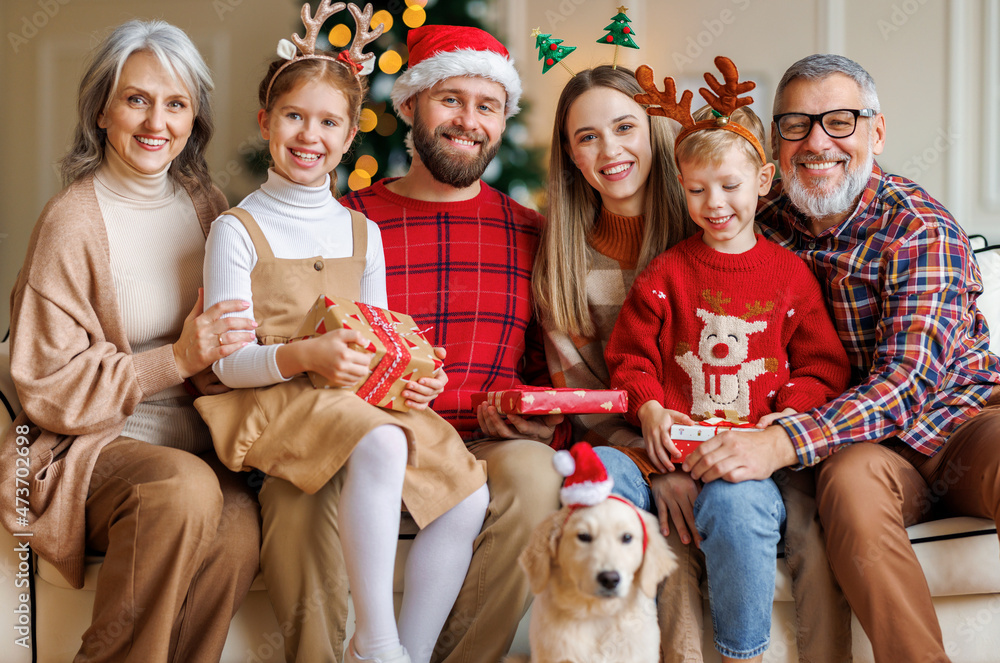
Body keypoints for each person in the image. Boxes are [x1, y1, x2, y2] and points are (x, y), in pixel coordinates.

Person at [194, 7, 489, 663]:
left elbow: (378, 338)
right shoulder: (237, 230)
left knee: (469, 492)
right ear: (266, 121)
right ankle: (375, 641)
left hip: (350, 399)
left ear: (351, 133)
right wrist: (307, 353)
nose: (310, 135)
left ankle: (401, 650)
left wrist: (413, 373)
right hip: (276, 397)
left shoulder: (362, 231)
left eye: (329, 121)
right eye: (295, 115)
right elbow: (230, 362)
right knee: (382, 440)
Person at [684, 52, 1000, 663]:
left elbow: (909, 383)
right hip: (863, 453)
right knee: (850, 484)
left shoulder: (918, 228)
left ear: (876, 132)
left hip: (960, 424)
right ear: (774, 145)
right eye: (796, 124)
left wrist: (783, 442)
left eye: (840, 121)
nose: (816, 142)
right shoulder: (758, 224)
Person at [0, 20, 261, 662]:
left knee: (237, 531)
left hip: (199, 445)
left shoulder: (207, 205)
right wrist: (174, 359)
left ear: (193, 120)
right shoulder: (71, 221)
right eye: (136, 98)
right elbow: (44, 384)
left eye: (175, 104)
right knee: (179, 489)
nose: (156, 122)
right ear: (101, 110)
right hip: (91, 449)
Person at [602, 64, 851, 662]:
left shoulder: (790, 277)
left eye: (731, 186)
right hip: (666, 450)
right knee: (596, 471)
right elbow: (629, 358)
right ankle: (607, 643)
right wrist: (652, 409)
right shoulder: (667, 273)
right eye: (698, 190)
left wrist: (783, 422)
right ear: (681, 188)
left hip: (748, 462)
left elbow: (822, 369)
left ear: (763, 180)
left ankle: (743, 654)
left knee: (735, 508)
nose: (715, 204)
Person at [340, 25, 566, 663]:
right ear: (409, 105)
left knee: (534, 476)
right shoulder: (347, 220)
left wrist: (531, 410)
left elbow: (542, 369)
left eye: (487, 105)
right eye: (451, 99)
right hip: (372, 434)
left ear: (501, 121)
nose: (469, 121)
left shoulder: (533, 234)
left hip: (484, 439)